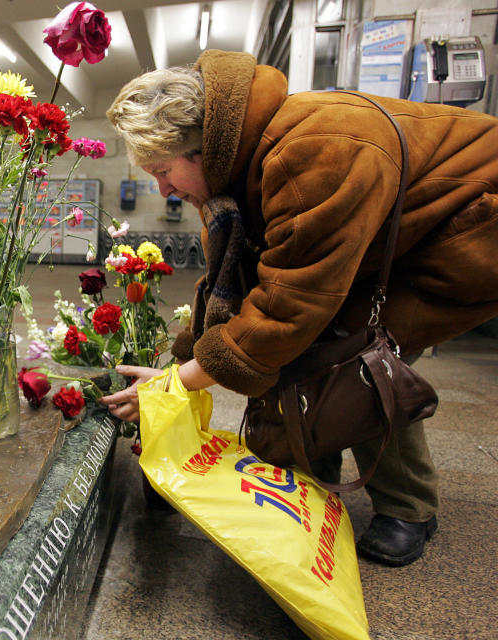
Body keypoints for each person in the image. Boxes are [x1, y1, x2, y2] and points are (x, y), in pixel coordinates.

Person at [100, 50, 498, 567]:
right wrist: (180, 362)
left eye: (163, 170)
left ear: (200, 150)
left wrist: (182, 382)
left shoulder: (309, 152)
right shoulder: (239, 165)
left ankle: (409, 510)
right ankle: (314, 467)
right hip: (394, 242)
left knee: (357, 357)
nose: (163, 189)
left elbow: (287, 305)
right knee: (315, 348)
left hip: (465, 237)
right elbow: (236, 283)